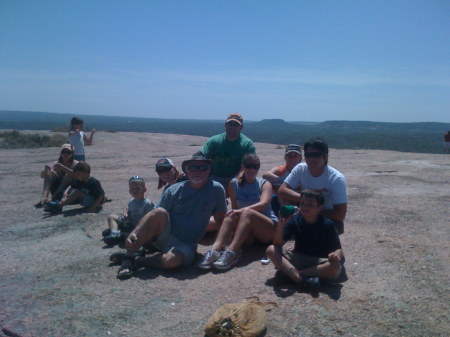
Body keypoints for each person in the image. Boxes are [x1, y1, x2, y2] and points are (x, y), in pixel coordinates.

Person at [116, 152, 227, 278]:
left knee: (172, 262)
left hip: (186, 243)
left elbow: (220, 219)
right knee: (160, 212)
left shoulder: (216, 189)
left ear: (209, 170)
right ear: (186, 170)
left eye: (203, 168)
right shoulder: (173, 190)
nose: (198, 171)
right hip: (165, 234)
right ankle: (128, 258)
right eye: (193, 167)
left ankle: (139, 259)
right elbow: (155, 215)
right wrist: (135, 232)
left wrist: (220, 245)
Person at [198, 153, 278, 271]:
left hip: (267, 229)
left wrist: (241, 210)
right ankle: (214, 250)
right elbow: (235, 209)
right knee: (231, 214)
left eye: (255, 166)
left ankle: (231, 252)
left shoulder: (264, 184)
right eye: (249, 166)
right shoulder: (233, 184)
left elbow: (264, 204)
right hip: (248, 232)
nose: (252, 169)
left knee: (246, 212)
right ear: (243, 166)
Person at [266, 189, 344, 290]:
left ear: (319, 208)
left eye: (310, 205)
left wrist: (336, 255)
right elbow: (277, 243)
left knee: (335, 267)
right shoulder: (295, 220)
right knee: (271, 249)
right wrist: (281, 225)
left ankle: (292, 275)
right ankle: (302, 281)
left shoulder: (327, 224)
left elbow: (338, 249)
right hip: (298, 258)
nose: (305, 207)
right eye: (302, 203)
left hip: (318, 263)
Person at [278, 138, 347, 234]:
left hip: (328, 219)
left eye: (316, 155)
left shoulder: (336, 178)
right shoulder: (300, 169)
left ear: (325, 156)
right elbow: (282, 191)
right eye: (308, 155)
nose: (311, 159)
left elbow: (340, 215)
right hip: (305, 215)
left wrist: (313, 208)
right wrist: (308, 202)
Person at [202, 113, 256, 191]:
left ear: (241, 127)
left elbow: (249, 166)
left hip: (235, 178)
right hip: (214, 177)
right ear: (225, 125)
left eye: (236, 125)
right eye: (230, 124)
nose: (232, 127)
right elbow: (202, 157)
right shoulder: (214, 141)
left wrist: (235, 182)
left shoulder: (247, 144)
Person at [103, 176, 155, 246]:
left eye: (138, 188)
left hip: (138, 228)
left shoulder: (147, 203)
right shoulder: (131, 202)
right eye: (132, 189)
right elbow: (129, 212)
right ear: (129, 191)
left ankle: (119, 234)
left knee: (132, 237)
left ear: (144, 190)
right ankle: (114, 233)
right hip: (129, 223)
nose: (135, 191)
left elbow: (150, 220)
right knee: (111, 217)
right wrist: (126, 214)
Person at [262, 144, 302, 215]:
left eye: (295, 156)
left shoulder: (303, 172)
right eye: (289, 156)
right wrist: (284, 183)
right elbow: (266, 175)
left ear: (300, 158)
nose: (292, 159)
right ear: (285, 158)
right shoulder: (282, 169)